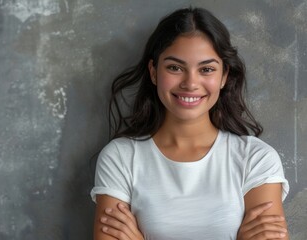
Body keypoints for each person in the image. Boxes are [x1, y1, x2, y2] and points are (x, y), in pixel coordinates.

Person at [90, 7, 289, 240]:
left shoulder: (256, 159)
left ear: (224, 76)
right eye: (175, 68)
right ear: (154, 72)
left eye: (206, 69)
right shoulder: (120, 157)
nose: (191, 83)